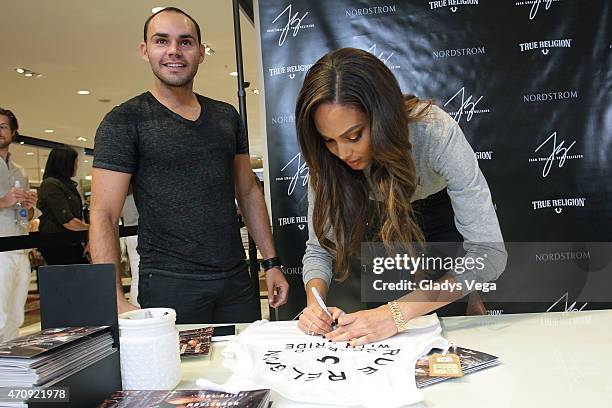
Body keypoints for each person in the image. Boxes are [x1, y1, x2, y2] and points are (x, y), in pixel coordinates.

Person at [295, 48, 507, 345]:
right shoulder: (328, 163)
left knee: (445, 339)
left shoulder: (434, 131)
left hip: (440, 222)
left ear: (383, 117)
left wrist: (395, 313)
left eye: (354, 136)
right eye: (330, 140)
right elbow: (319, 249)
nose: (343, 153)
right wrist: (314, 302)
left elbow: (489, 255)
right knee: (383, 342)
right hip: (379, 232)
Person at [90, 7, 289, 323]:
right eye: (161, 41)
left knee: (243, 367)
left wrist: (271, 262)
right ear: (145, 51)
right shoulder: (124, 121)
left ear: (201, 51)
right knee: (180, 373)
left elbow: (248, 191)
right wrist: (113, 298)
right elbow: (104, 214)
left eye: (185, 42)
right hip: (170, 282)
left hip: (236, 278)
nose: (173, 51)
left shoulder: (226, 117)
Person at [0, 108, 37, 342]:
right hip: (1, 250)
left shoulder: (20, 170)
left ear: (13, 132)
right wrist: (4, 201)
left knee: (15, 317)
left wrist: (30, 206)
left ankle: (9, 370)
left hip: (19, 247)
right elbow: (7, 203)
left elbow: (26, 213)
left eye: (3, 126)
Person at [37, 146, 89, 265]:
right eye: (74, 163)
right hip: (58, 245)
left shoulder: (68, 186)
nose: (76, 166)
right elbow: (67, 220)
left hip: (71, 243)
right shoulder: (51, 185)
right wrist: (92, 228)